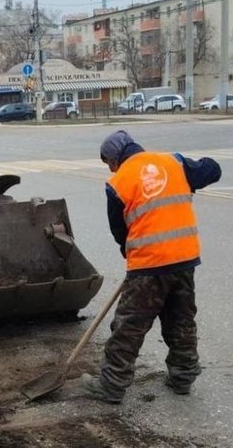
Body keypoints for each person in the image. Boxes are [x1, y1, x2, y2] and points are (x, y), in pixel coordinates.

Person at [80, 130, 221, 405]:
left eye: (108, 162)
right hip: (184, 258)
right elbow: (212, 170)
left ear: (114, 159)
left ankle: (111, 385)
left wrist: (132, 257)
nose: (110, 168)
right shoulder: (175, 163)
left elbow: (120, 232)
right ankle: (183, 377)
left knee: (129, 326)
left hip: (149, 264)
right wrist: (199, 166)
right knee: (180, 319)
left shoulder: (118, 182)